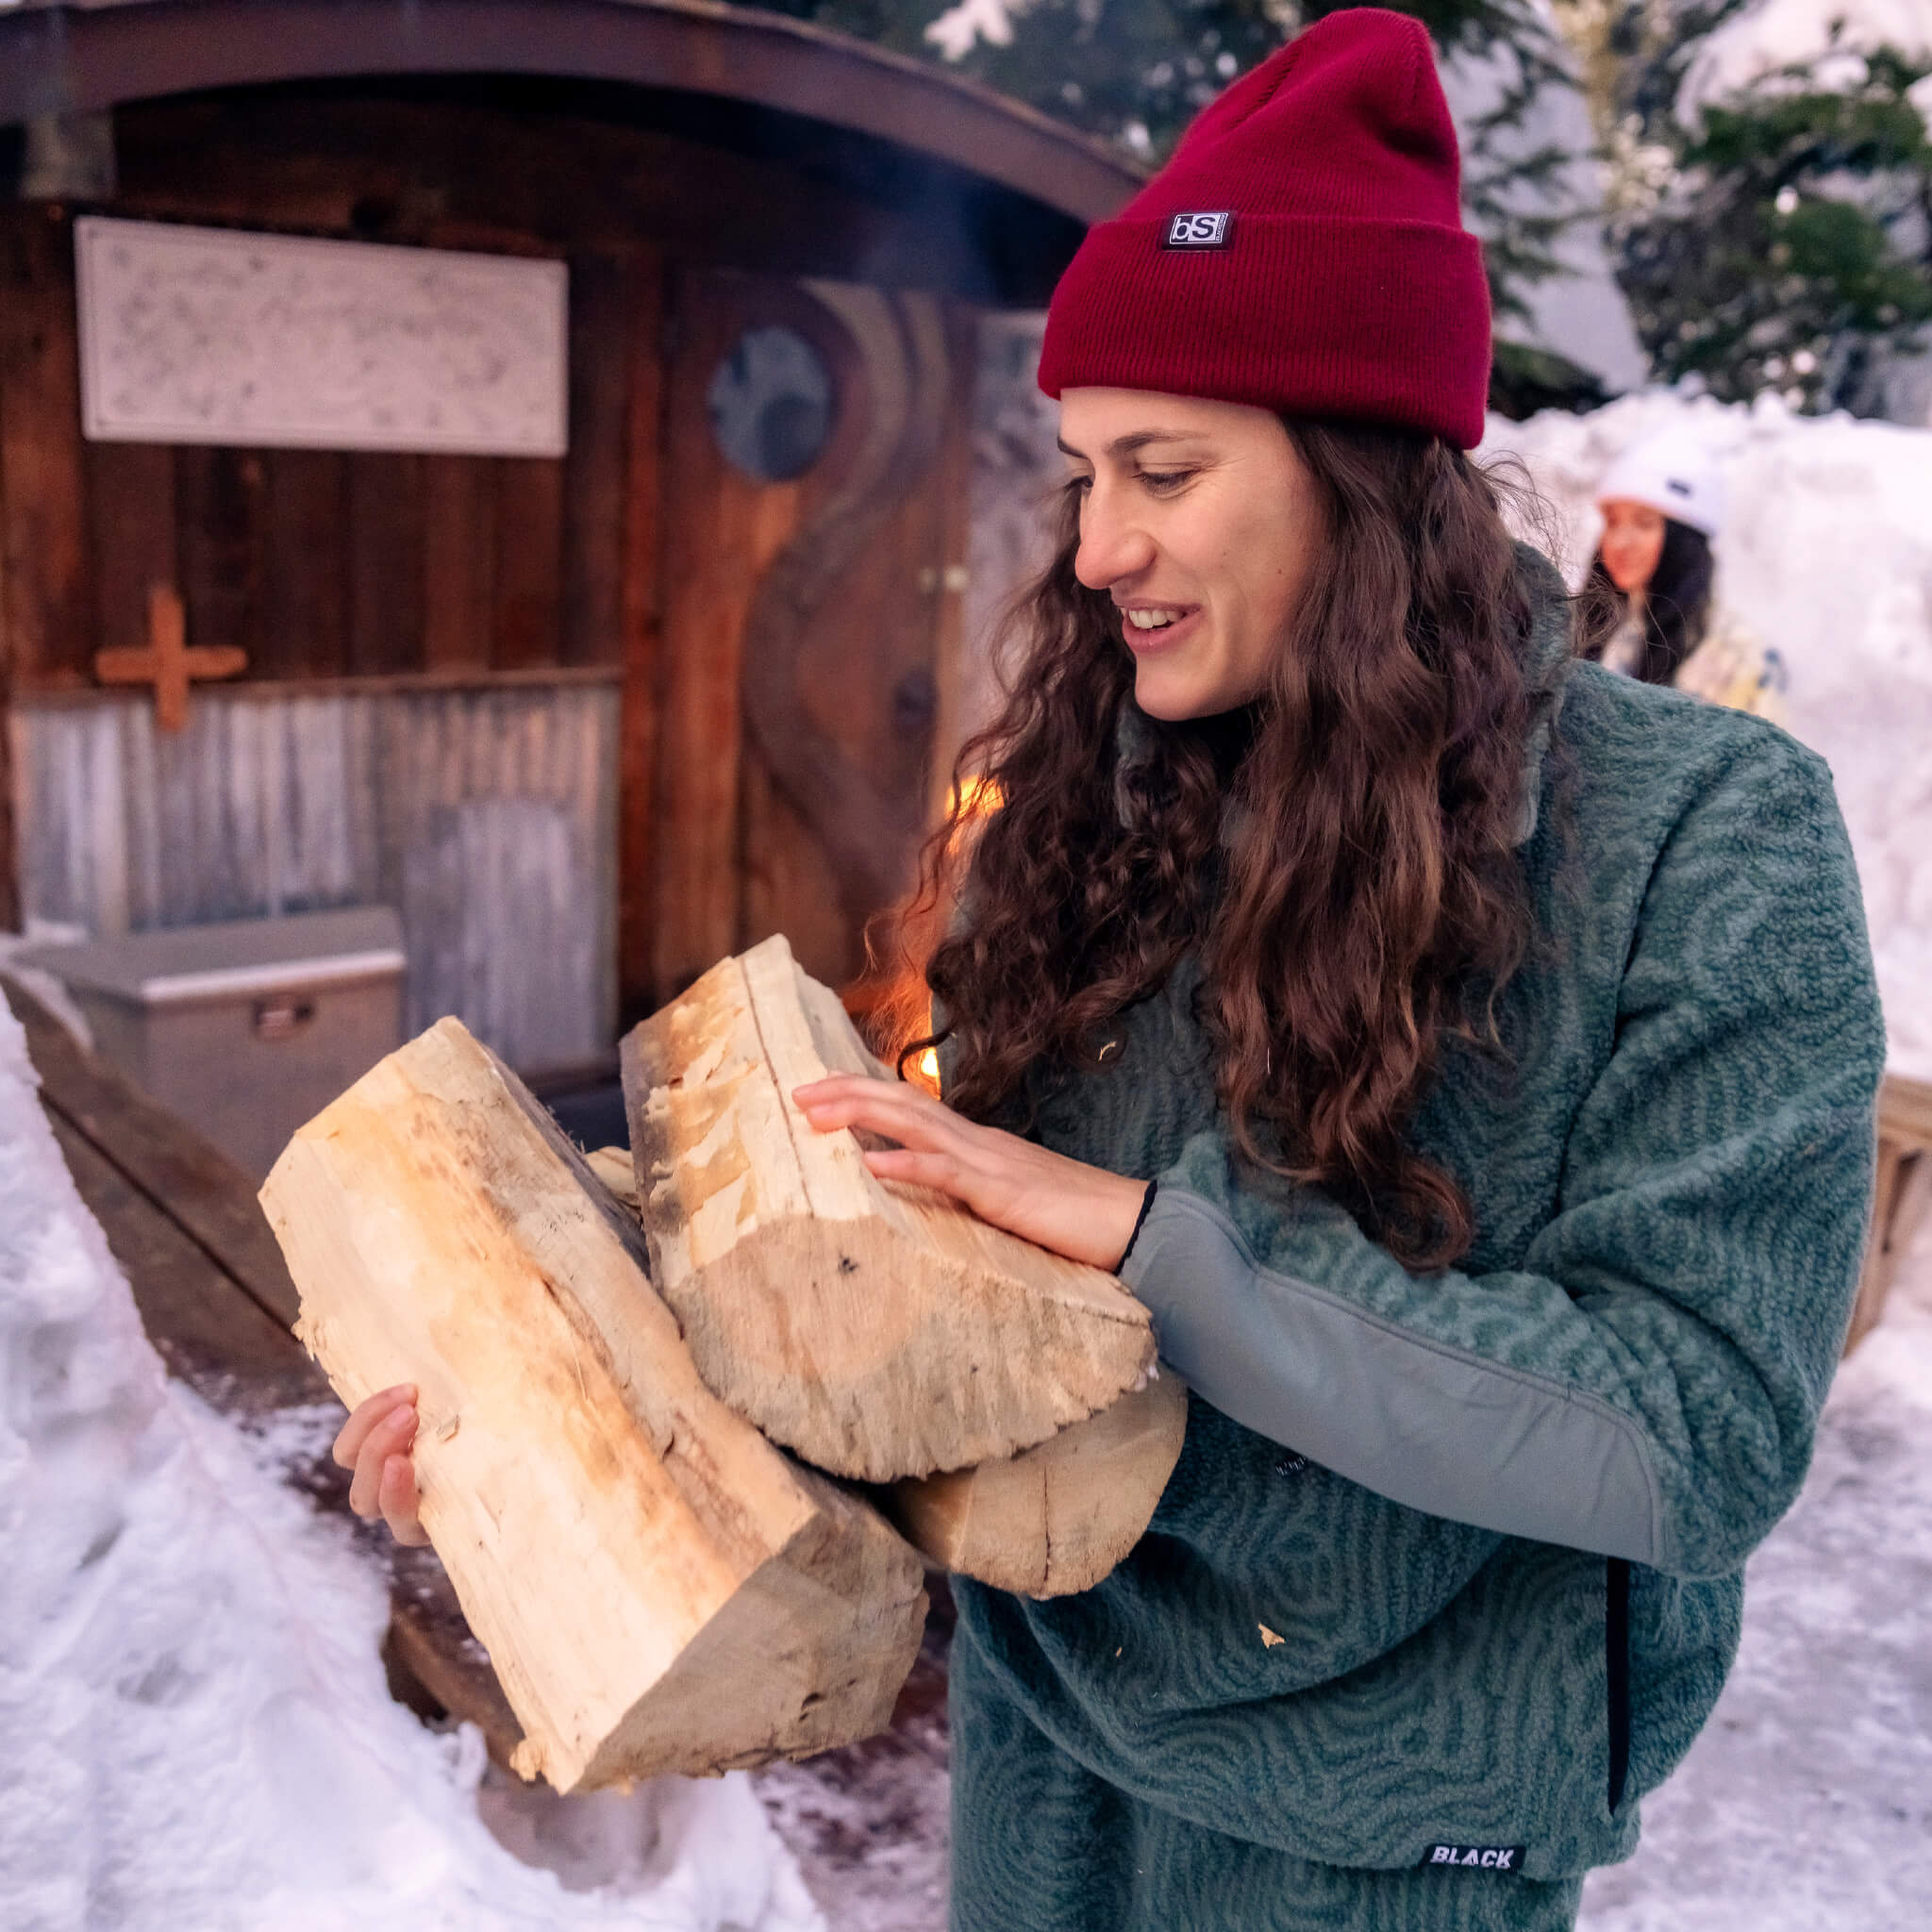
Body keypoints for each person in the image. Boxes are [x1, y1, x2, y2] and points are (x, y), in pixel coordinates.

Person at [336, 13, 1883, 1929]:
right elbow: (933, 1294)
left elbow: (1696, 1433)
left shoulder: (1702, 835)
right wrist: (542, 1366)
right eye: (1079, 469)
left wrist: (1157, 1241)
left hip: (1391, 1832)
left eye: (1158, 466)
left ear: (1363, 468)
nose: (1095, 545)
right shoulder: (1096, 800)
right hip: (1042, 1748)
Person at [1585, 429, 1789, 722]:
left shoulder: (1739, 658)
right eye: (1612, 522)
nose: (1619, 541)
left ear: (1685, 538)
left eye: (1643, 524)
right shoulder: (1596, 629)